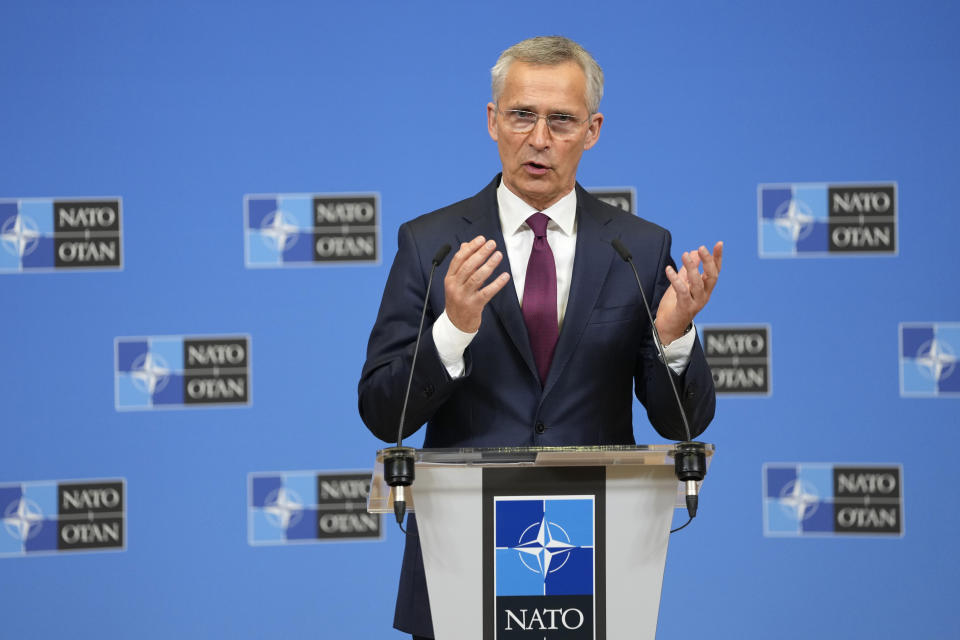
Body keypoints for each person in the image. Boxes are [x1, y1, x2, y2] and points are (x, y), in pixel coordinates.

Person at [358, 35, 722, 639]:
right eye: (522, 114)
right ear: (493, 121)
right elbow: (381, 413)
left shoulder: (637, 248)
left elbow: (681, 428)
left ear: (593, 130)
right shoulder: (431, 243)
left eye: (562, 120)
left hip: (593, 559)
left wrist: (674, 336)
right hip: (460, 567)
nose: (540, 138)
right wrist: (453, 330)